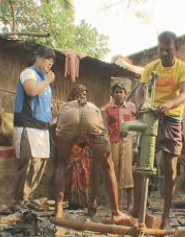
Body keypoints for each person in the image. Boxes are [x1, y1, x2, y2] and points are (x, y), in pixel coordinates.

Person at [133, 31, 185, 229]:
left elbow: (184, 94)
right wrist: (141, 106)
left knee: (169, 168)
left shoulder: (183, 68)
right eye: (160, 49)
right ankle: (138, 210)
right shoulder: (151, 68)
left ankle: (166, 216)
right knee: (141, 164)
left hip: (171, 119)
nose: (163, 53)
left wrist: (170, 104)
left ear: (176, 48)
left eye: (168, 50)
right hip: (150, 117)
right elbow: (140, 93)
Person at [53, 84, 136, 226]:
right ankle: (115, 213)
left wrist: (60, 146)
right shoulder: (91, 106)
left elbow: (52, 125)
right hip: (92, 114)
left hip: (69, 117)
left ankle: (58, 210)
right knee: (107, 165)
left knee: (62, 163)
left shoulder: (66, 107)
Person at [13, 46, 55, 205]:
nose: (50, 63)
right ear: (37, 57)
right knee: (29, 163)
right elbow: (31, 91)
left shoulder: (45, 79)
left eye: (52, 61)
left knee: (40, 164)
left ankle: (27, 197)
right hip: (28, 124)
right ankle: (19, 200)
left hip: (41, 126)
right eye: (47, 58)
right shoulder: (29, 73)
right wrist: (47, 81)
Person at [105, 83, 137, 210]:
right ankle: (115, 203)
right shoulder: (109, 109)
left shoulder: (131, 107)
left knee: (127, 170)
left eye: (121, 92)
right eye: (116, 92)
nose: (119, 94)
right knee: (114, 170)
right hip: (114, 142)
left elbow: (136, 123)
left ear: (125, 94)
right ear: (112, 94)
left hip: (128, 141)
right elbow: (105, 127)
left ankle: (130, 203)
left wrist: (130, 133)